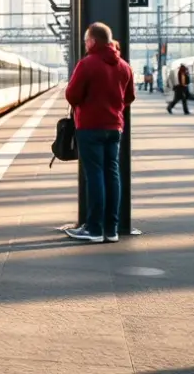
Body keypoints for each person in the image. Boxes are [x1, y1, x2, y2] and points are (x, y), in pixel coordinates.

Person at [63, 22, 136, 243]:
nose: (85, 45)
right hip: (114, 127)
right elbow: (130, 97)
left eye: (86, 41)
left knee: (94, 175)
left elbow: (72, 95)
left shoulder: (87, 64)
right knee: (112, 174)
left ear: (93, 41)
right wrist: (114, 109)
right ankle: (111, 230)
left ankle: (94, 229)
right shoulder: (124, 66)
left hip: (90, 128)